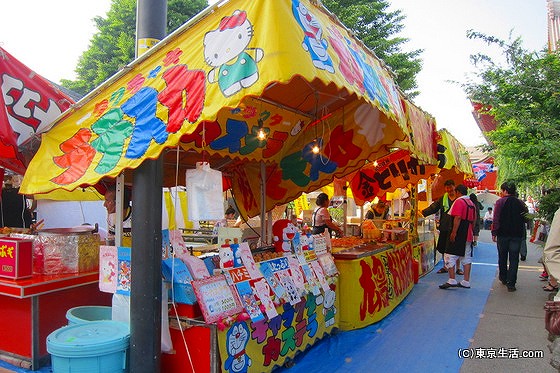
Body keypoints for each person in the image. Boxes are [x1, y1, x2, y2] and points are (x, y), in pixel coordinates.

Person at [492, 181, 528, 292]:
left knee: (502, 257)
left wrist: (494, 233)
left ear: (505, 191)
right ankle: (511, 283)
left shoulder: (500, 202)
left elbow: (496, 218)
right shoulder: (521, 203)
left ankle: (503, 277)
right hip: (516, 235)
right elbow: (526, 218)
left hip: (503, 234)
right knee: (514, 259)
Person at [439, 184, 477, 289]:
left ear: (458, 192)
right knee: (466, 256)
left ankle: (452, 279)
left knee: (449, 255)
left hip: (460, 232)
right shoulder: (471, 203)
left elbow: (458, 217)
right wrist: (471, 231)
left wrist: (454, 232)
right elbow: (474, 219)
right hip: (468, 233)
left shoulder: (459, 201)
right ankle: (466, 281)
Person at [422, 179, 458, 274]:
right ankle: (445, 267)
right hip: (445, 226)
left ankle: (458, 268)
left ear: (454, 187)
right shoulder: (443, 199)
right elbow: (434, 207)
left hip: (457, 227)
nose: (449, 189)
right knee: (443, 248)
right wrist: (422, 212)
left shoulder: (459, 199)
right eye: (447, 187)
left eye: (450, 187)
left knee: (456, 249)